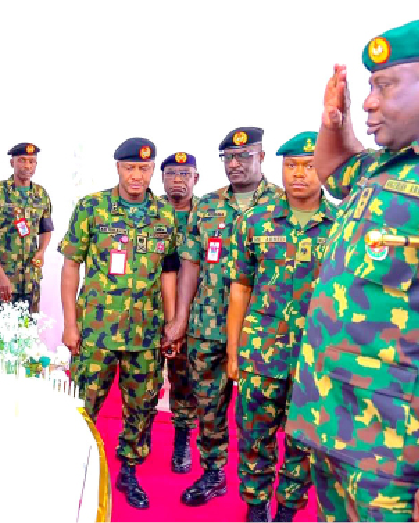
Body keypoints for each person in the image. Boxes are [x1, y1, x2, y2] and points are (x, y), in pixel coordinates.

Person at [286, 19, 419, 522]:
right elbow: (334, 166)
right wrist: (331, 117)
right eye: (369, 87)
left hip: (394, 455)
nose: (369, 102)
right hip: (338, 422)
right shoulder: (388, 168)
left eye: (385, 87)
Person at [164, 126, 285, 507]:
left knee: (257, 420)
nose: (235, 164)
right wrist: (180, 318)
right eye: (228, 158)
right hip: (207, 326)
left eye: (243, 156)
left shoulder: (281, 205)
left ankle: (257, 493)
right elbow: (189, 262)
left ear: (261, 157)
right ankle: (214, 472)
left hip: (262, 333)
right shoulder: (209, 205)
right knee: (209, 408)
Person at [59, 137, 179, 510]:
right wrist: (69, 324)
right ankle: (73, 465)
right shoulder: (92, 207)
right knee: (82, 404)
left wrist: (173, 321)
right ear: (117, 168)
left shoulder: (164, 214)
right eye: (130, 168)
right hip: (95, 330)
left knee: (141, 408)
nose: (137, 176)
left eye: (144, 168)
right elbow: (70, 265)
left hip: (145, 333)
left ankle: (129, 471)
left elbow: (169, 271)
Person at [227, 131, 335, 522]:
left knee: (302, 442)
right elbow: (239, 287)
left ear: (322, 168)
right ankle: (256, 510)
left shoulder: (340, 224)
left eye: (308, 166)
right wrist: (233, 351)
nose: (299, 174)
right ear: (281, 169)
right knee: (255, 438)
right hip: (261, 353)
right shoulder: (255, 221)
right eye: (291, 166)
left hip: (315, 358)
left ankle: (288, 511)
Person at [150, 151, 200, 474]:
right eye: (171, 174)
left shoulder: (209, 214)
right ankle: (137, 438)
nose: (178, 180)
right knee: (143, 379)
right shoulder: (148, 212)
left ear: (197, 178)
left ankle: (181, 439)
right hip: (147, 309)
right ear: (162, 178)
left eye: (185, 174)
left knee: (184, 379)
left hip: (193, 311)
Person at [0, 142, 54, 313]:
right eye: (22, 160)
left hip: (30, 279)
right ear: (12, 163)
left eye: (31, 161)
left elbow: (46, 228)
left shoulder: (41, 194)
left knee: (28, 333)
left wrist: (41, 251)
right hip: (2, 279)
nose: (27, 166)